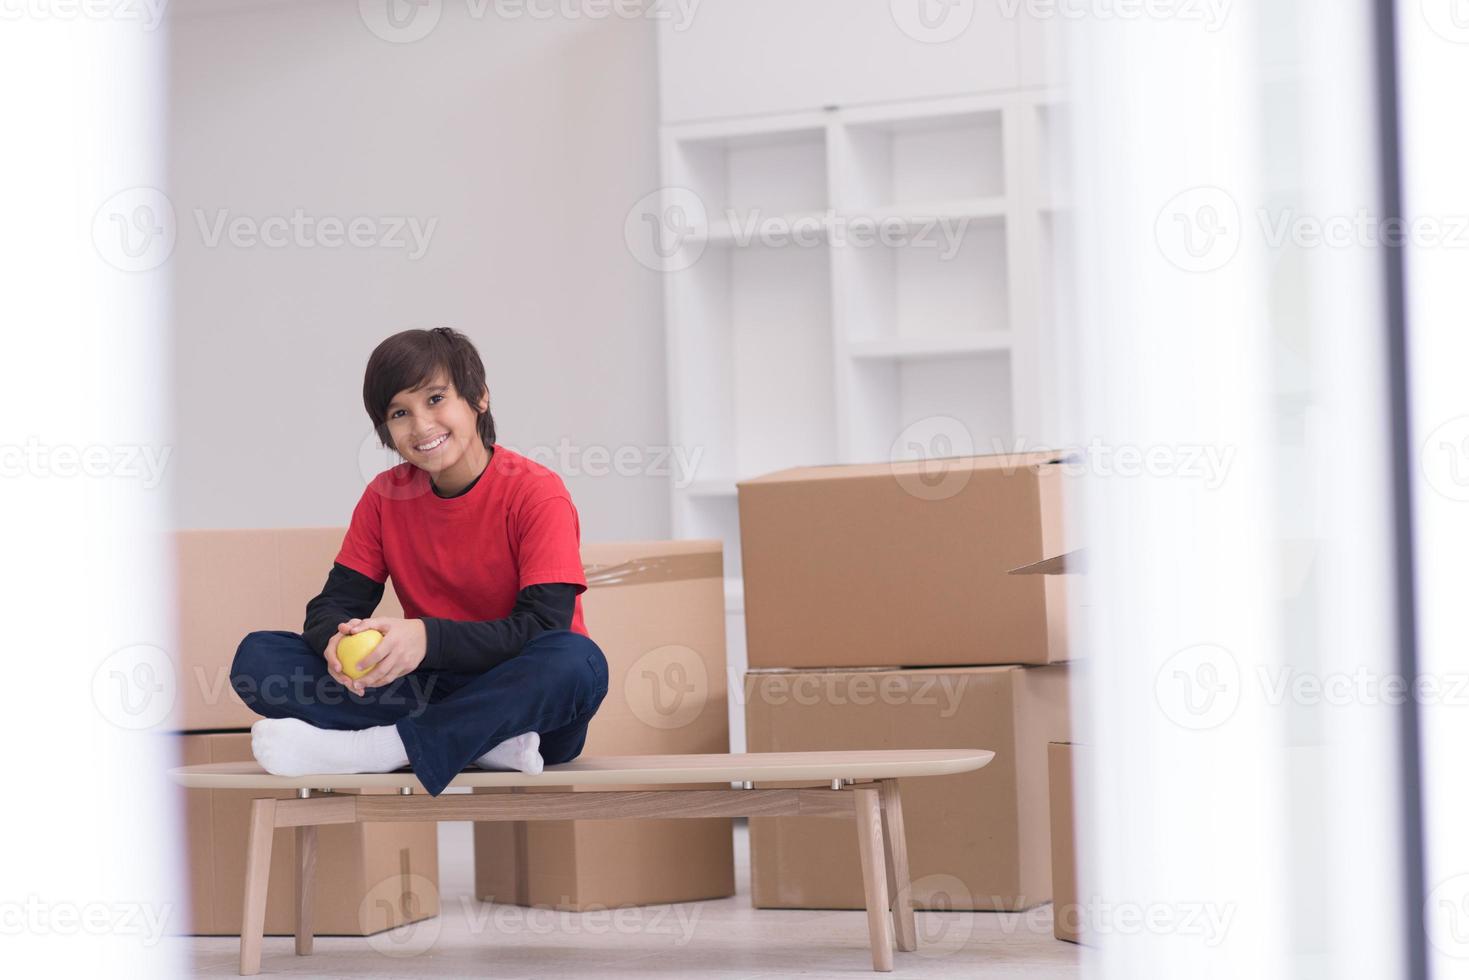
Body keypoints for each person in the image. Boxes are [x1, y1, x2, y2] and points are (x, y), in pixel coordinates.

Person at [229, 327, 608, 797]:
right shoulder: (385, 496)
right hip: (429, 690)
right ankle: (483, 745)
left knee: (578, 662)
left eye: (435, 399)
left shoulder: (535, 492)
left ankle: (382, 750)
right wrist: (333, 642)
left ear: (479, 398)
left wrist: (426, 637)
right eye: (400, 412)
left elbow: (544, 627)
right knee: (260, 657)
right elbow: (331, 605)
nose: (421, 425)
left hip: (525, 699)